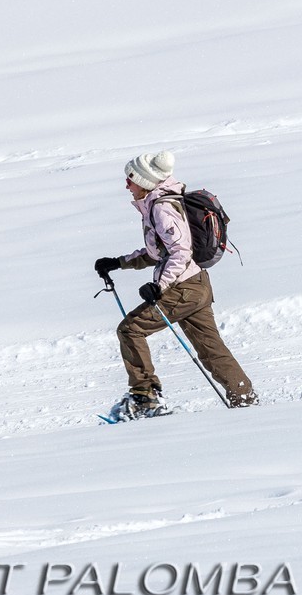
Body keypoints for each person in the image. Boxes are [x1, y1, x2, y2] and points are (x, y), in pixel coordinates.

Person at [93, 151, 257, 419]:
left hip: (183, 288)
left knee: (130, 330)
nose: (126, 186)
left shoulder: (162, 207)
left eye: (130, 180)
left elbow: (180, 251)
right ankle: (244, 398)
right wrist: (118, 262)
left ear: (144, 181)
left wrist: (160, 286)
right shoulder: (159, 204)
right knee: (210, 349)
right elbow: (160, 252)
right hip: (196, 284)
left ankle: (145, 398)